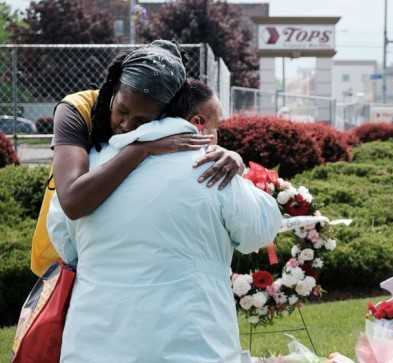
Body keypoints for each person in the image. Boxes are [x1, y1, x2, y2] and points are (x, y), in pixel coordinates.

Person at [47, 80, 283, 363]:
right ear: (195, 121)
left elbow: (63, 243)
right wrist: (238, 167)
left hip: (93, 346)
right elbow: (259, 232)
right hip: (196, 344)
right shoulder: (215, 168)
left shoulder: (89, 169)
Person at [31, 40, 244, 276]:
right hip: (62, 261)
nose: (126, 125)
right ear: (113, 87)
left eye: (142, 121)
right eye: (122, 110)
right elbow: (73, 201)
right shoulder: (76, 110)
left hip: (121, 262)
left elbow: (200, 147)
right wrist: (140, 150)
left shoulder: (167, 126)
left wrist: (231, 157)